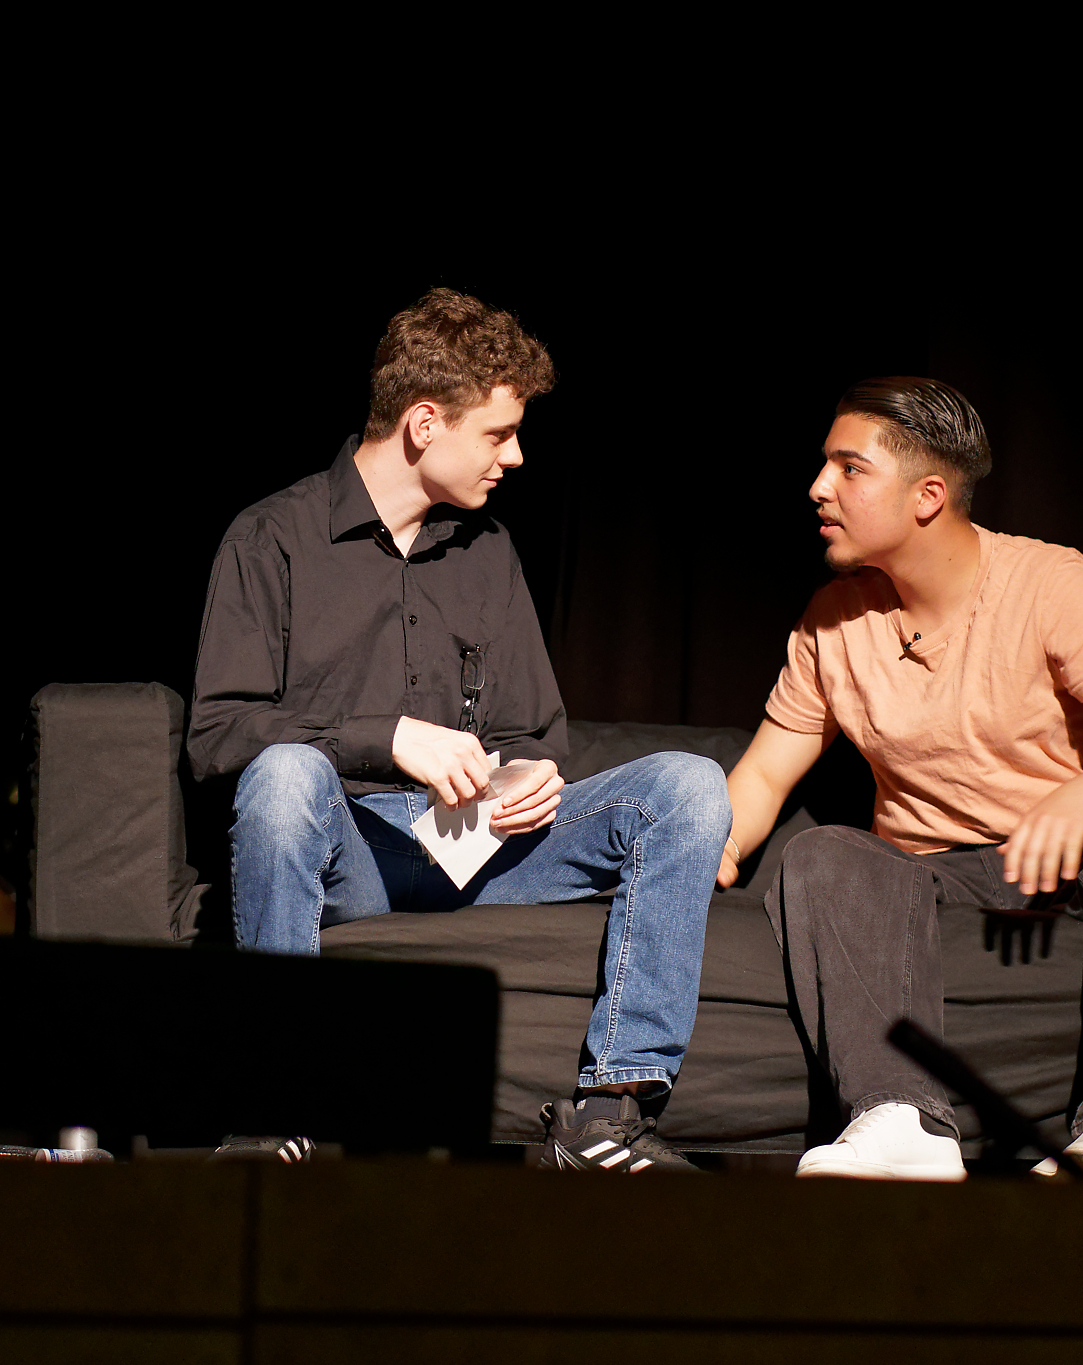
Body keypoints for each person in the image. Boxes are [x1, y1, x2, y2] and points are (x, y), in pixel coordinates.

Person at [187, 289, 729, 1172]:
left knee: (688, 786)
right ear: (425, 423)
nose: (516, 456)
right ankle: (277, 1110)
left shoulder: (487, 549)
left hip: (480, 845)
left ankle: (609, 1113)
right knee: (285, 774)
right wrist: (387, 737)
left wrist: (531, 775)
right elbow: (217, 735)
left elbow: (537, 733)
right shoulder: (271, 538)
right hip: (349, 849)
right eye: (498, 433)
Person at [717, 377, 1083, 1185]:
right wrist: (703, 846)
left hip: (1068, 864)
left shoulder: (1047, 581)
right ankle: (902, 1123)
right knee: (821, 852)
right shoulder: (833, 617)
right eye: (826, 465)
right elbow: (761, 775)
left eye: (849, 468)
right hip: (931, 876)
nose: (819, 486)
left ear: (927, 496)